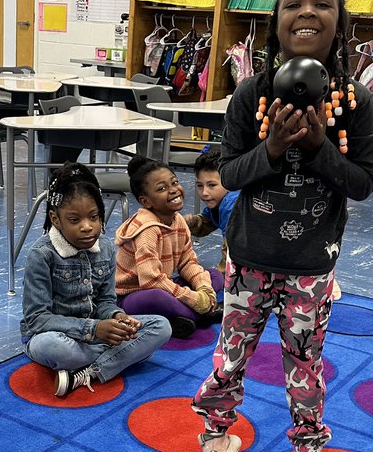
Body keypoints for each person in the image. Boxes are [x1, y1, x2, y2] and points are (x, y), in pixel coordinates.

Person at [192, 0, 373, 452]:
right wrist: (272, 149)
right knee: (230, 355)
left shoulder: (354, 101)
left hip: (311, 267)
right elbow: (226, 173)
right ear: (275, 20)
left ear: (340, 21)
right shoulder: (251, 94)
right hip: (248, 256)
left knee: (305, 367)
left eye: (323, 2)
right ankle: (215, 432)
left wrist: (320, 149)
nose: (307, 11)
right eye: (294, 2)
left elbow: (362, 183)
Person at [21, 163, 171, 395]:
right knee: (53, 347)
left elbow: (106, 301)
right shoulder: (41, 255)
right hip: (56, 337)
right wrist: (94, 329)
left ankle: (88, 373)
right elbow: (37, 320)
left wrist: (117, 317)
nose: (87, 227)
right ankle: (121, 356)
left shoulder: (107, 249)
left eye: (94, 217)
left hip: (95, 334)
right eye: (74, 220)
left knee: (161, 327)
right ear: (55, 219)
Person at [115, 156, 221, 339]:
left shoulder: (177, 219)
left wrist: (204, 289)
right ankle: (203, 315)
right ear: (146, 201)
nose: (173, 190)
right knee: (158, 297)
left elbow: (188, 261)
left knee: (214, 275)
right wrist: (195, 300)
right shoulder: (146, 230)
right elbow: (151, 282)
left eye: (175, 182)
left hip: (164, 283)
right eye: (162, 189)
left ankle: (186, 318)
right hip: (134, 296)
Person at [185, 145, 241, 275]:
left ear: (229, 180)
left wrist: (221, 278)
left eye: (212, 185)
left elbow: (231, 251)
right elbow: (207, 222)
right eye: (200, 185)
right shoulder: (220, 199)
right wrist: (194, 222)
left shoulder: (231, 204)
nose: (204, 192)